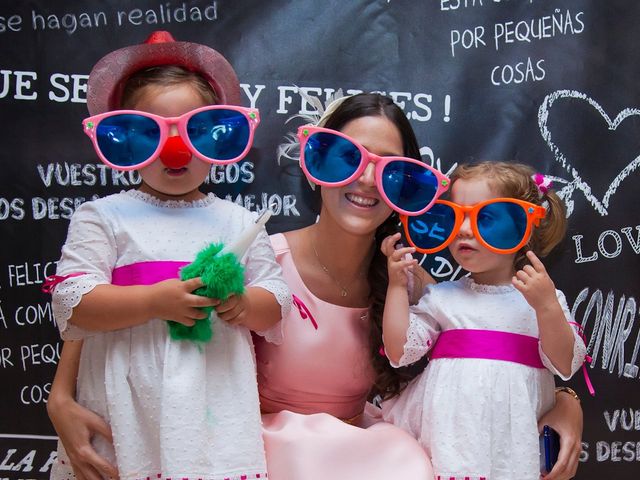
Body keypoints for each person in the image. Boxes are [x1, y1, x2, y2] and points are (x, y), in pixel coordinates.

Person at [48, 92, 585, 480]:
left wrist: (563, 401)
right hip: (252, 455)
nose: (366, 180)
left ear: (408, 185)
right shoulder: (258, 258)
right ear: (315, 166)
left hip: (362, 460)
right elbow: (111, 310)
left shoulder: (416, 286)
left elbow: (494, 341)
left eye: (389, 169)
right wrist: (61, 396)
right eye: (344, 158)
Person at [46, 31, 290, 480]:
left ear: (216, 137)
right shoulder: (103, 216)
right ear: (125, 141)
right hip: (125, 411)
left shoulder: (238, 221)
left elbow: (275, 302)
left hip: (213, 413)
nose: (174, 151)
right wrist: (153, 302)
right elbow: (73, 302)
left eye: (193, 131)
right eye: (151, 133)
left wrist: (243, 304)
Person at [380, 161, 587, 479]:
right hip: (450, 446)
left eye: (485, 217)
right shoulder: (442, 298)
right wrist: (396, 286)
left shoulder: (542, 301)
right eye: (455, 216)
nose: (463, 229)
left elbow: (565, 364)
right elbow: (399, 351)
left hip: (512, 452)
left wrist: (545, 306)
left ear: (523, 225)